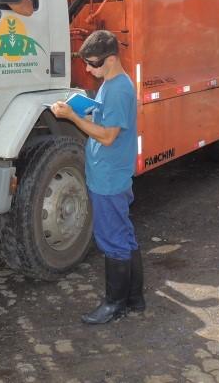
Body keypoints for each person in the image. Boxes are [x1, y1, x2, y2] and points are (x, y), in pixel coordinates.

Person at [49, 30, 144, 324]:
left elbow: (107, 136)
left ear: (111, 59)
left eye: (92, 63)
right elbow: (104, 122)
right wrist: (86, 111)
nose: (88, 69)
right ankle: (134, 298)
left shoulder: (117, 89)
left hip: (109, 178)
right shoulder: (111, 83)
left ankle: (114, 305)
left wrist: (73, 118)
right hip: (110, 174)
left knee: (111, 239)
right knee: (124, 234)